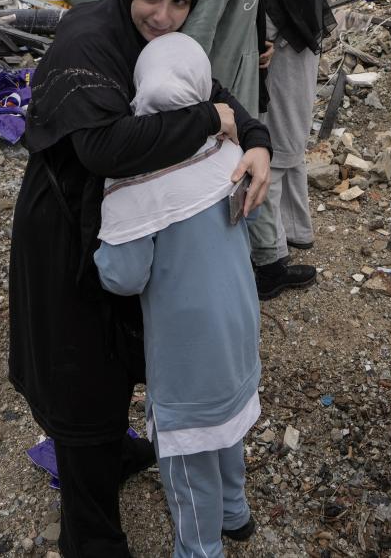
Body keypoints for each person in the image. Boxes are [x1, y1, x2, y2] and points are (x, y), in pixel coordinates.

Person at [8, 0, 272, 558]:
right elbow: (101, 148)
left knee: (132, 344)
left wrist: (256, 136)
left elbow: (201, 84)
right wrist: (213, 122)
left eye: (181, 2)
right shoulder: (88, 42)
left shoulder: (162, 40)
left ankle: (125, 448)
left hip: (135, 219)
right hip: (68, 229)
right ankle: (93, 537)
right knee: (81, 374)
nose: (164, 17)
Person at [94, 33, 262, 558]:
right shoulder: (227, 149)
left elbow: (123, 276)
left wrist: (97, 249)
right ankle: (236, 514)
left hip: (186, 343)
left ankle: (200, 548)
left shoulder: (137, 175)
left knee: (188, 452)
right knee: (228, 425)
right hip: (238, 321)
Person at [182, 0, 317, 300]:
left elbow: (230, 28)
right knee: (243, 177)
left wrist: (255, 49)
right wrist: (205, 102)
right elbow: (199, 37)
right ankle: (262, 269)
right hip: (224, 100)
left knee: (247, 176)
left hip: (238, 90)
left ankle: (269, 265)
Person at [257, 0, 334, 256]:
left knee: (272, 155)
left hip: (281, 62)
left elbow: (275, 15)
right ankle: (297, 230)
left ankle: (272, 249)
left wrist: (258, 42)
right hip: (303, 60)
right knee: (292, 151)